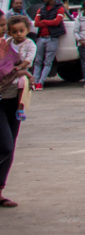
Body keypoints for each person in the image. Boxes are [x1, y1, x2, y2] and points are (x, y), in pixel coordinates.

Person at [0, 28, 34, 208]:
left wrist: (22, 72)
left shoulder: (9, 47)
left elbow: (22, 65)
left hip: (14, 100)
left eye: (3, 25)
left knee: (10, 147)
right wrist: (17, 72)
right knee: (4, 146)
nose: (2, 29)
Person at [31, 0, 66, 90]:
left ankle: (40, 82)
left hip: (52, 38)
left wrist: (44, 21)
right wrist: (48, 21)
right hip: (41, 38)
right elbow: (36, 23)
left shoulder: (59, 8)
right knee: (38, 61)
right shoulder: (41, 9)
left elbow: (57, 22)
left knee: (47, 62)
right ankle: (36, 81)